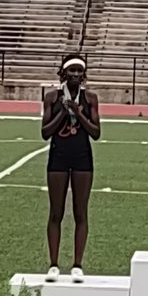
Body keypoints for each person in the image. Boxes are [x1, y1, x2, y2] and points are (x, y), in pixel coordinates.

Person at [41, 56, 101, 282]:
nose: (76, 75)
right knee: (55, 212)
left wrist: (79, 111)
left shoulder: (90, 98)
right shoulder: (51, 97)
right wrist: (63, 113)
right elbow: (45, 132)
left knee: (80, 212)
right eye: (72, 71)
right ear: (63, 74)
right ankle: (54, 263)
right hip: (58, 156)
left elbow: (96, 133)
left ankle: (77, 264)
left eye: (79, 71)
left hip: (82, 157)